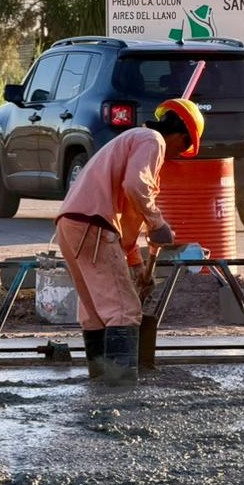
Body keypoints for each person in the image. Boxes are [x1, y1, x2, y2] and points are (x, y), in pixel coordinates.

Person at [55, 99, 204, 385]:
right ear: (181, 136)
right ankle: (122, 393)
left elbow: (128, 218)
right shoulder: (153, 140)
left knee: (97, 313)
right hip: (93, 226)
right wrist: (158, 223)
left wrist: (135, 264)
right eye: (183, 149)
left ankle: (100, 384)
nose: (176, 156)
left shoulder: (130, 142)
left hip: (71, 225)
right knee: (124, 311)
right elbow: (136, 186)